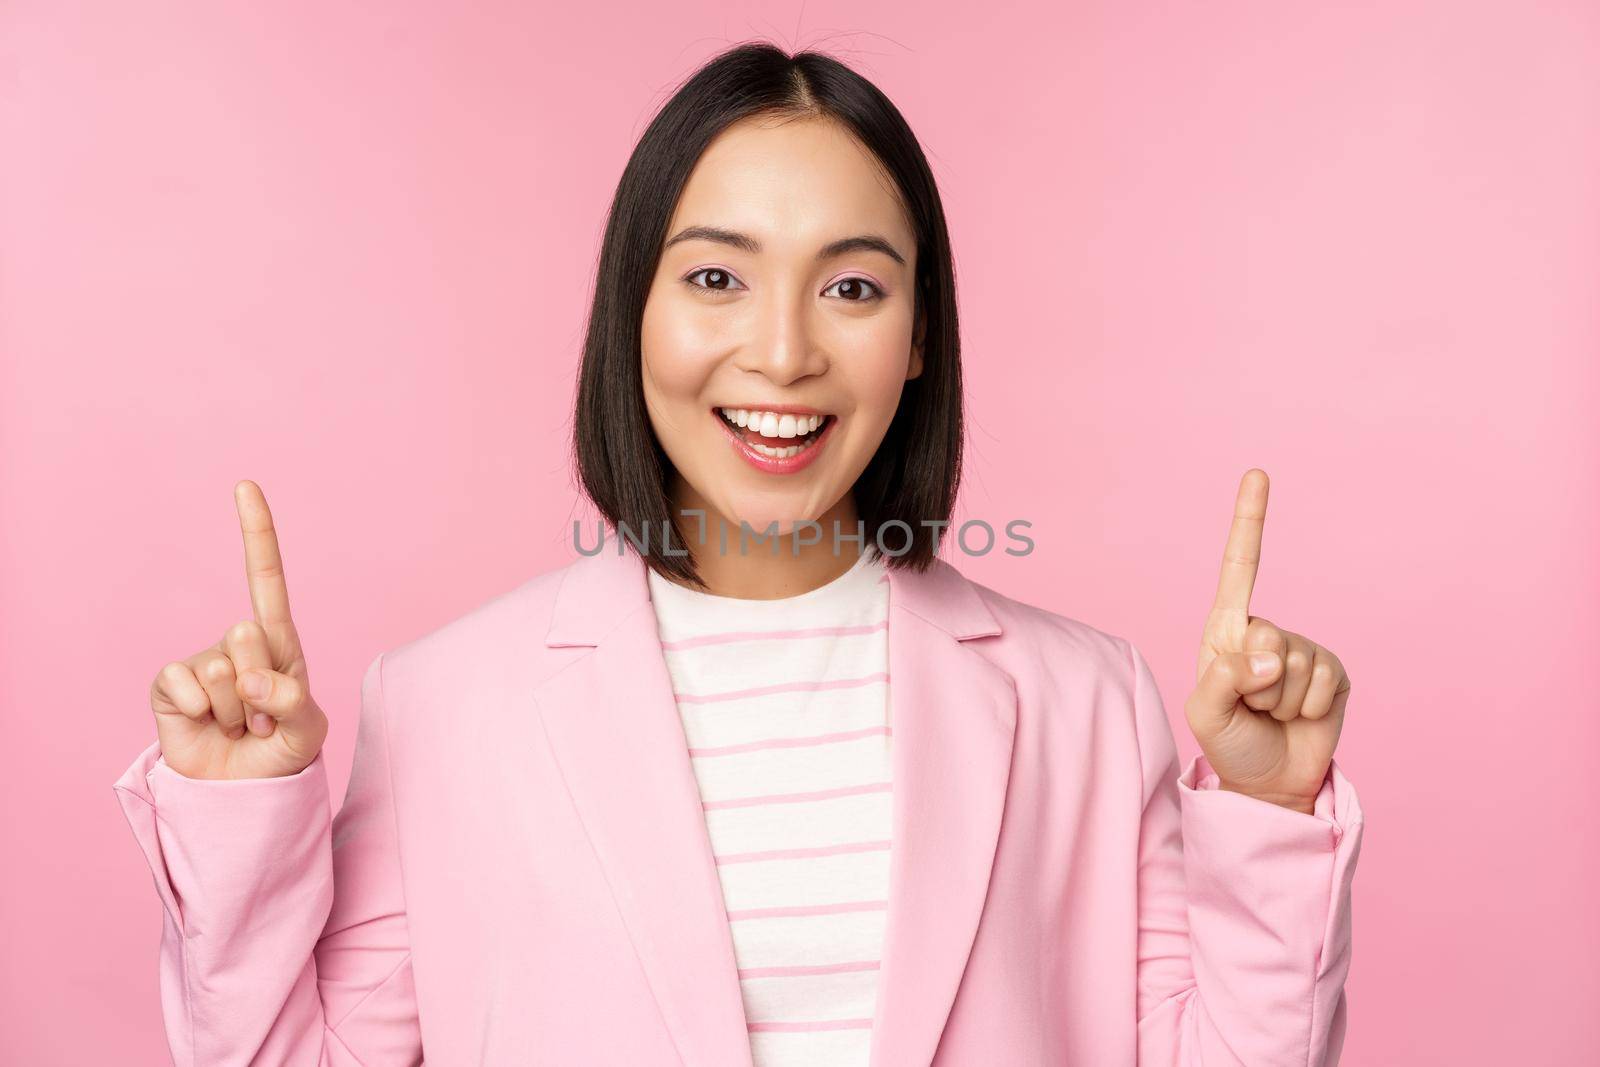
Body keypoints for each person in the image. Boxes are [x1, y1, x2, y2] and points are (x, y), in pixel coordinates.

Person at [113, 42, 1362, 1067]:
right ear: (634, 312)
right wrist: (243, 814)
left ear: (920, 336)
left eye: (853, 289)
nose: (781, 352)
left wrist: (1263, 810)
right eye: (716, 275)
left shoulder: (1086, 700)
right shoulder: (443, 702)